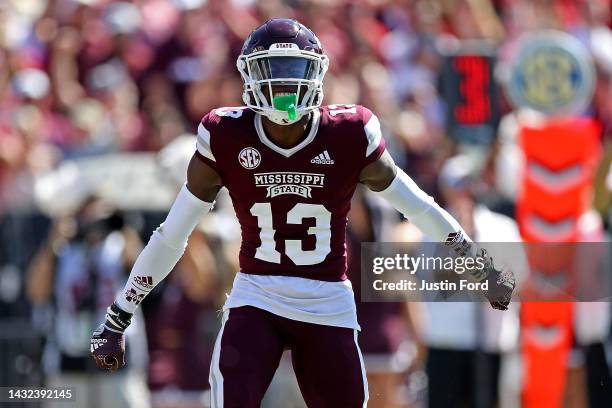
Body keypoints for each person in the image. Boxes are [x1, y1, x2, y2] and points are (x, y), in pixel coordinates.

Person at [90, 18, 515, 407]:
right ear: (249, 76)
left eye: (294, 71)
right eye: (272, 71)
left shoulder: (350, 133)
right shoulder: (226, 134)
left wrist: (477, 264)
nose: (284, 85)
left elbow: (417, 205)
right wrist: (119, 314)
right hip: (258, 293)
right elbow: (173, 233)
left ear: (316, 74)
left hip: (327, 299)